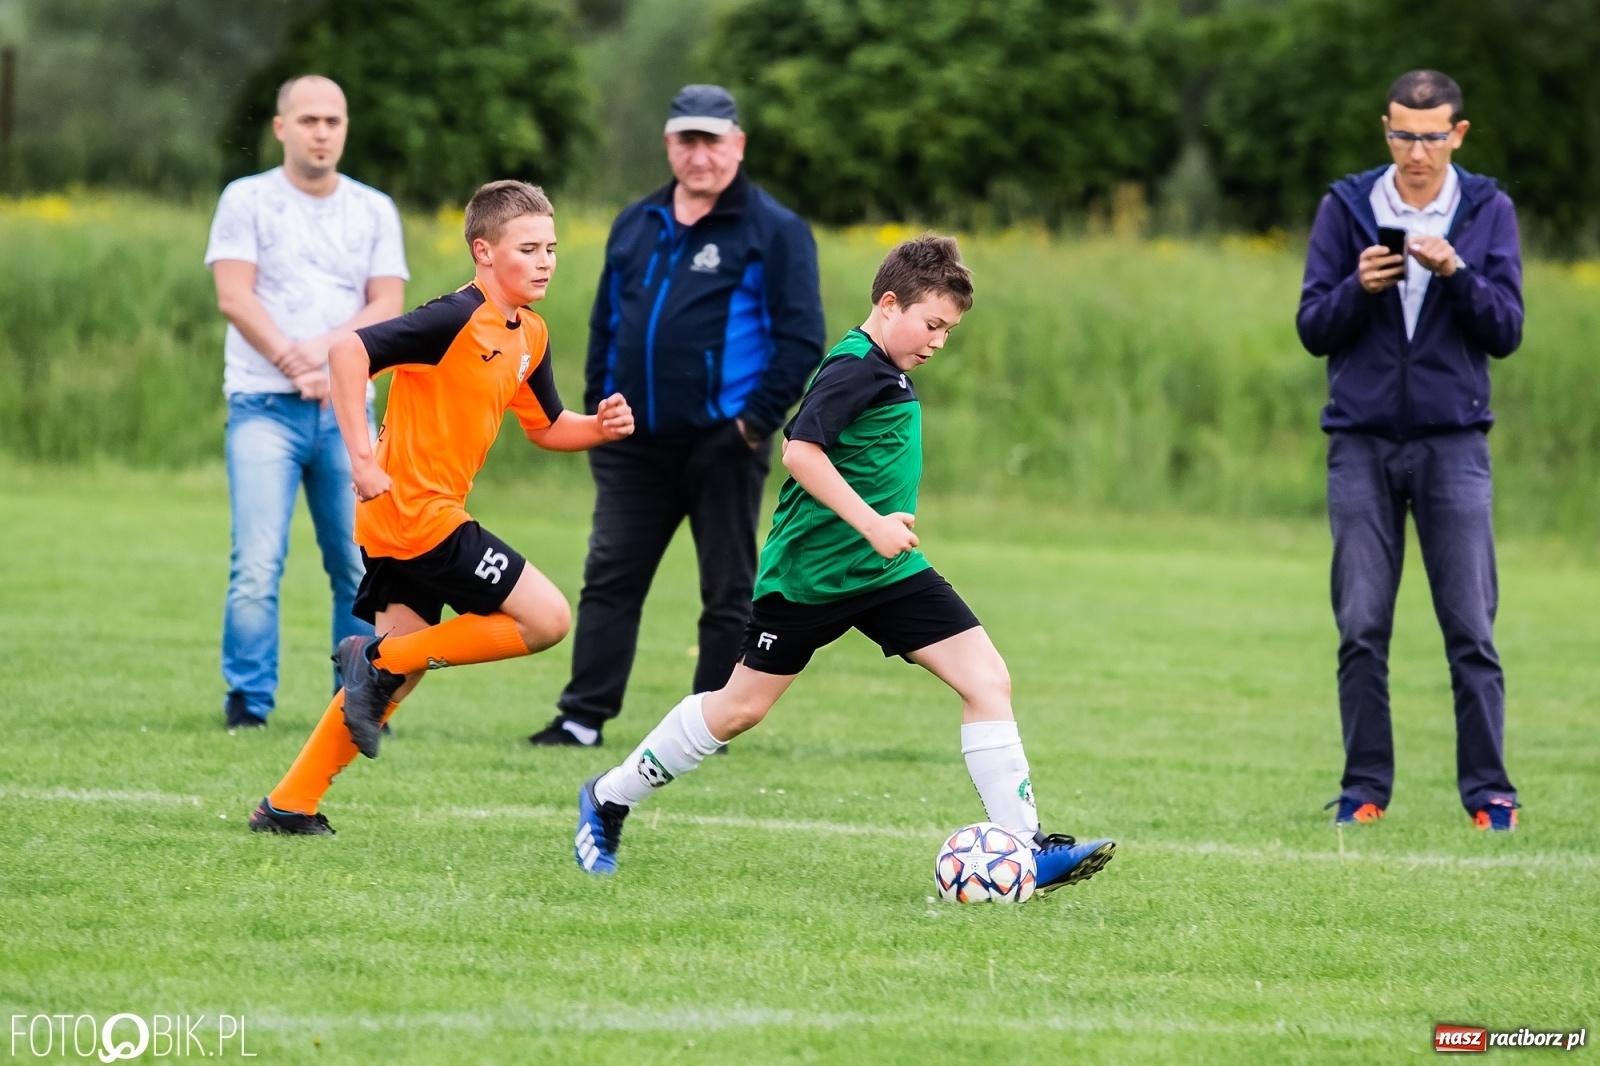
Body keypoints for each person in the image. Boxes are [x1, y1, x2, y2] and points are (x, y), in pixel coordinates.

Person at [570, 236, 1116, 896]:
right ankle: (608, 797)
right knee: (739, 709)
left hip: (885, 575)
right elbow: (800, 452)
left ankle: (1027, 849)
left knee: (986, 679)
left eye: (949, 329)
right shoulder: (856, 367)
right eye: (933, 324)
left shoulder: (889, 368)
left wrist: (880, 538)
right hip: (812, 578)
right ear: (890, 305)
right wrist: (873, 525)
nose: (940, 341)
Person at [248, 181, 634, 835]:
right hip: (413, 514)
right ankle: (375, 659)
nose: (545, 261)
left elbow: (544, 426)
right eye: (528, 249)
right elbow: (349, 352)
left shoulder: (529, 334)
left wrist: (596, 427)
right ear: (484, 252)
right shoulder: (452, 318)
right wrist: (362, 460)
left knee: (394, 681)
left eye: (551, 248)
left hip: (410, 517)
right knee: (546, 619)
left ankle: (289, 804)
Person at [529, 84, 826, 749]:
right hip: (633, 446)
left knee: (726, 592)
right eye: (687, 140)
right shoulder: (635, 222)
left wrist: (750, 425)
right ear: (669, 144)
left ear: (737, 145)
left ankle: (704, 728)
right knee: (610, 579)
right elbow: (605, 323)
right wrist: (603, 410)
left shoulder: (774, 230)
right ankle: (582, 718)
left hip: (723, 443)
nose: (699, 155)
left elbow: (802, 338)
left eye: (712, 140)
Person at [1297, 70, 1524, 831]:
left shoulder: (1488, 210)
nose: (1415, 151)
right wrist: (1359, 286)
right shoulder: (1346, 206)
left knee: (1471, 630)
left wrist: (1456, 272)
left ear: (1457, 134)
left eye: (1430, 136)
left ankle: (1490, 796)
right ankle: (1365, 792)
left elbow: (1506, 330)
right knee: (1361, 628)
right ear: (1385, 130)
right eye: (1401, 133)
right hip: (1359, 444)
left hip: (1453, 444)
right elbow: (1311, 328)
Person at [205, 75, 407, 730]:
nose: (323, 132)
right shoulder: (247, 199)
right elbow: (235, 294)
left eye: (334, 121)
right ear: (281, 127)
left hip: (345, 414)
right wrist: (296, 360)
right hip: (263, 405)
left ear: (345, 129)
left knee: (356, 562)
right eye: (310, 120)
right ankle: (248, 702)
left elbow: (387, 305)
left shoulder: (374, 209)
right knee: (258, 562)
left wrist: (324, 357)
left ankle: (354, 699)